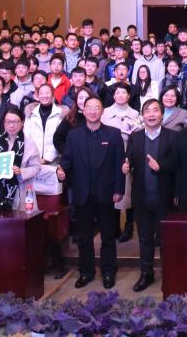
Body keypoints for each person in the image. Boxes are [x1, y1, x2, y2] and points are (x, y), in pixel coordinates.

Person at [57, 95, 126, 289]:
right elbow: (66, 160)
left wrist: (119, 189)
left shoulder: (114, 134)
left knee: (108, 236)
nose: (93, 111)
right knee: (84, 237)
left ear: (102, 111)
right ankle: (86, 272)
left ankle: (108, 272)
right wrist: (60, 171)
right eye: (89, 107)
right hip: (82, 193)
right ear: (83, 110)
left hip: (107, 193)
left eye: (97, 107)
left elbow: (119, 163)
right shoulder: (74, 135)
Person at [123, 99, 176, 292]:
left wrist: (161, 167)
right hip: (141, 197)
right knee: (144, 238)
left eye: (155, 110)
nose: (151, 114)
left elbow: (177, 165)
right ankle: (146, 273)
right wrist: (126, 165)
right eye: (147, 111)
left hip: (165, 198)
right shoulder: (135, 137)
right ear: (142, 115)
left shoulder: (173, 137)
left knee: (166, 240)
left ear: (162, 114)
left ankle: (169, 274)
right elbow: (129, 159)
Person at [0, 107, 41, 211]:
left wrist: (21, 172)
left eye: (15, 122)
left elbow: (36, 167)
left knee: (20, 219)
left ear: (22, 123)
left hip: (20, 191)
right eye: (8, 121)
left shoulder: (29, 143)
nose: (11, 125)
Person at [102, 83, 143, 243]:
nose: (120, 95)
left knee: (128, 191)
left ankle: (129, 226)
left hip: (128, 154)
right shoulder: (105, 112)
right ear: (113, 96)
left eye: (123, 92)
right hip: (108, 155)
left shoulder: (135, 114)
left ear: (128, 95)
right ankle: (114, 227)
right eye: (117, 93)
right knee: (112, 190)